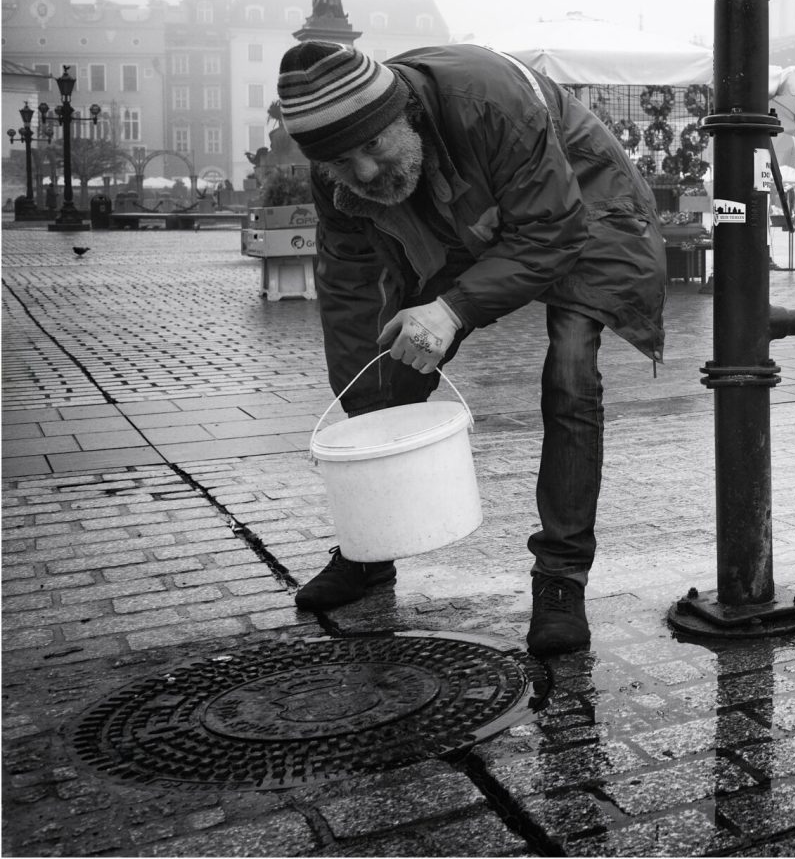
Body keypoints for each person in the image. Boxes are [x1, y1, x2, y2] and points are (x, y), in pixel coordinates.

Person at [277, 40, 665, 656]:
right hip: (463, 213)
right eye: (342, 162)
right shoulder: (339, 176)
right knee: (389, 369)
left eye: (373, 146)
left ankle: (561, 577)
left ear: (402, 113)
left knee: (570, 369)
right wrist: (365, 404)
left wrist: (452, 310)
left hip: (584, 207)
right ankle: (371, 550)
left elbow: (552, 230)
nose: (365, 173)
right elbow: (349, 286)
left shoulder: (490, 103)